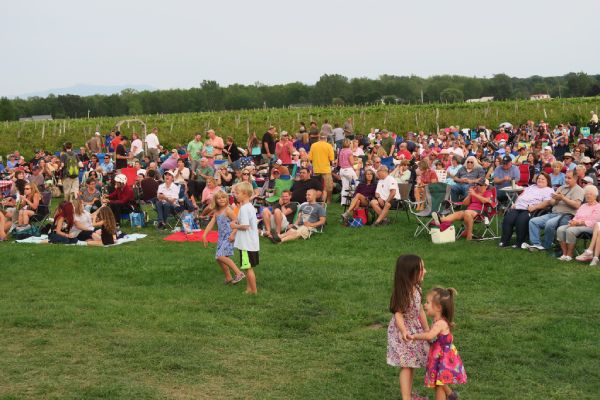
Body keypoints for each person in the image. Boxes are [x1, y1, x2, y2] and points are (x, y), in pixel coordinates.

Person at [409, 287, 466, 400]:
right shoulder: (438, 321)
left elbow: (430, 335)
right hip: (440, 356)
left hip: (443, 359)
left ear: (438, 307)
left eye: (427, 302)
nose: (424, 305)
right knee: (438, 383)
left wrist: (415, 336)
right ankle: (450, 395)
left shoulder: (440, 323)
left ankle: (450, 395)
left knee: (439, 383)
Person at [387, 254, 430, 400]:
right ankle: (406, 398)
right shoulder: (404, 292)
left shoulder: (416, 288)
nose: (425, 271)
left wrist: (427, 330)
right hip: (402, 333)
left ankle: (409, 396)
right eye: (422, 269)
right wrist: (404, 330)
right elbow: (398, 314)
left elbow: (420, 311)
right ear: (411, 272)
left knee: (410, 364)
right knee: (406, 365)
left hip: (414, 329)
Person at [525, 170, 583, 252]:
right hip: (553, 213)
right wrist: (556, 199)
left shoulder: (578, 190)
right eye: (565, 177)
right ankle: (536, 244)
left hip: (566, 216)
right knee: (533, 221)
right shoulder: (561, 187)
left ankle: (546, 246)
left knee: (549, 223)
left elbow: (577, 205)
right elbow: (551, 202)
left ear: (575, 178)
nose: (566, 180)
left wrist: (563, 198)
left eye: (569, 178)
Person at [499, 172, 554, 248]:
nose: (540, 180)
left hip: (531, 209)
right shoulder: (531, 186)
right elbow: (521, 195)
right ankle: (504, 241)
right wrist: (515, 203)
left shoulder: (549, 190)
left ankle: (519, 243)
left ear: (547, 181)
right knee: (508, 219)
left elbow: (547, 202)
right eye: (539, 178)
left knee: (520, 221)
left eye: (543, 179)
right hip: (518, 207)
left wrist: (535, 207)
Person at [202, 191, 246, 285]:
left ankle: (239, 273)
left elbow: (237, 222)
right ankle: (228, 277)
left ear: (227, 199)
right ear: (215, 200)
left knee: (221, 256)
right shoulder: (216, 212)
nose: (222, 199)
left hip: (229, 236)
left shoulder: (228, 210)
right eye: (219, 198)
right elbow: (211, 223)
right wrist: (204, 235)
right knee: (219, 258)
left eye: (224, 197)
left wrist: (233, 234)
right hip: (221, 237)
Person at [555, 185, 600, 261]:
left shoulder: (598, 207)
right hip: (577, 224)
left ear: (595, 195)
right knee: (560, 229)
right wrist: (572, 222)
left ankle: (570, 254)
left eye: (590, 194)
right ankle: (564, 254)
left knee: (570, 231)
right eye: (586, 194)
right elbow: (576, 216)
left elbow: (593, 222)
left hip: (589, 227)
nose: (588, 196)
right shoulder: (583, 206)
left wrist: (577, 223)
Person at [230, 182, 260, 294]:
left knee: (248, 268)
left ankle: (254, 290)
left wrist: (235, 226)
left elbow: (246, 226)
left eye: (237, 193)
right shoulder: (248, 207)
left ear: (245, 194)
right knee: (247, 267)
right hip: (250, 243)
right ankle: (249, 288)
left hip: (247, 244)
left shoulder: (244, 208)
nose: (235, 195)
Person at [309, 133, 335, 203]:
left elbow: (310, 158)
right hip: (326, 169)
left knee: (317, 186)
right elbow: (331, 158)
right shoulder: (329, 146)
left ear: (319, 138)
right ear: (326, 139)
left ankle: (317, 200)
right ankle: (328, 200)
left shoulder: (313, 145)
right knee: (328, 186)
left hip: (316, 169)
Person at [337, 139, 358, 205]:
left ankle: (343, 202)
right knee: (356, 183)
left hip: (342, 170)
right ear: (349, 144)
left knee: (345, 186)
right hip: (348, 170)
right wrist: (358, 161)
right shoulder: (349, 151)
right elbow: (352, 162)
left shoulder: (341, 151)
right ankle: (354, 200)